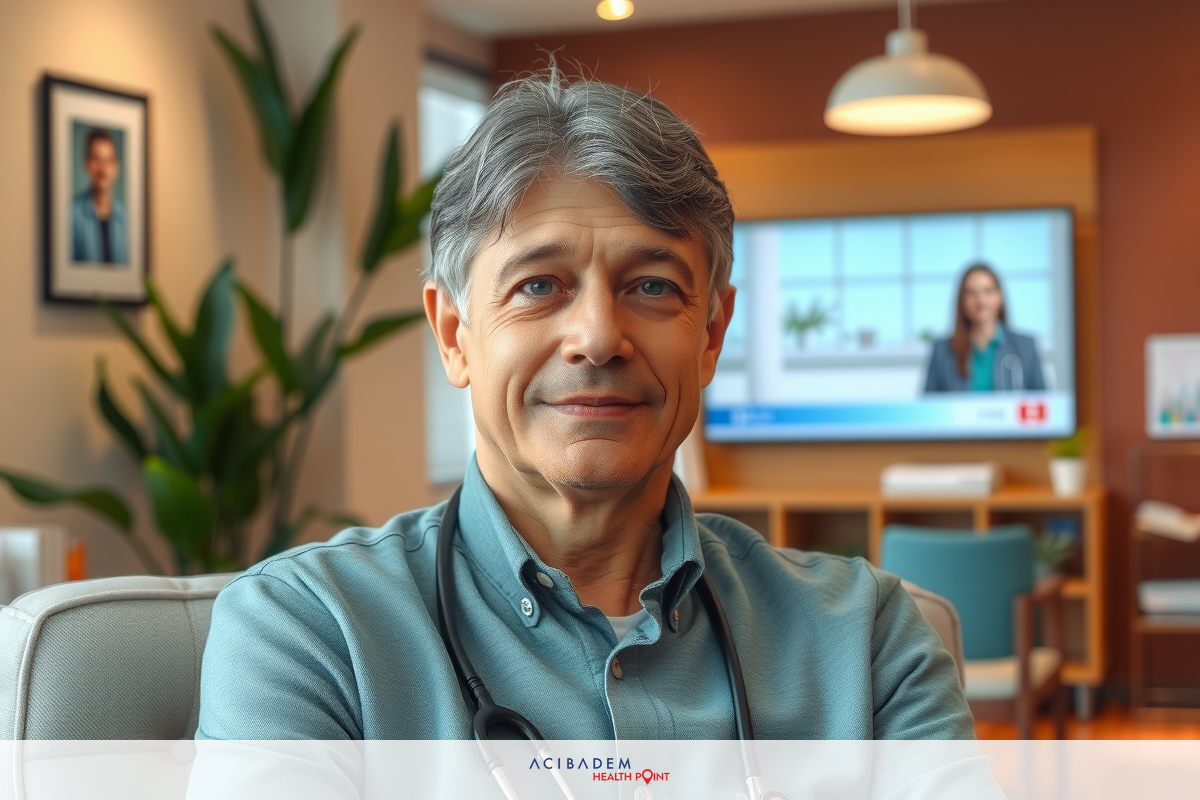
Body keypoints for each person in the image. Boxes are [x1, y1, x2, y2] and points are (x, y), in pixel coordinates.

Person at [196, 70, 974, 743]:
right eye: (539, 285)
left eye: (652, 286)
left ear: (712, 334)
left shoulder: (866, 639)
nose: (598, 337)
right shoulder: (307, 633)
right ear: (455, 334)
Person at [924, 263, 1046, 393]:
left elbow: (1045, 404)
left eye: (987, 291)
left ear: (1000, 296)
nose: (980, 300)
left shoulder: (1026, 347)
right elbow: (928, 408)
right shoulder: (942, 351)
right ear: (962, 300)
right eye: (971, 293)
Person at [70, 127, 128, 265]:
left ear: (116, 168)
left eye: (108, 161)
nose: (103, 169)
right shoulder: (71, 215)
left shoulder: (127, 220)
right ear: (87, 163)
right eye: (97, 159)